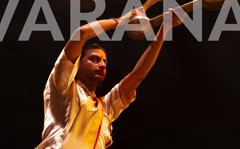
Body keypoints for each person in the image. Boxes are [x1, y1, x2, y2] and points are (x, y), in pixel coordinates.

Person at [35, 8, 182, 149]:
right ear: (77, 65)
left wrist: (164, 29)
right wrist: (120, 21)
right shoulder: (61, 86)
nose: (102, 65)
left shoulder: (106, 108)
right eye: (95, 59)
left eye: (104, 62)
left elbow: (138, 74)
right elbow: (81, 33)